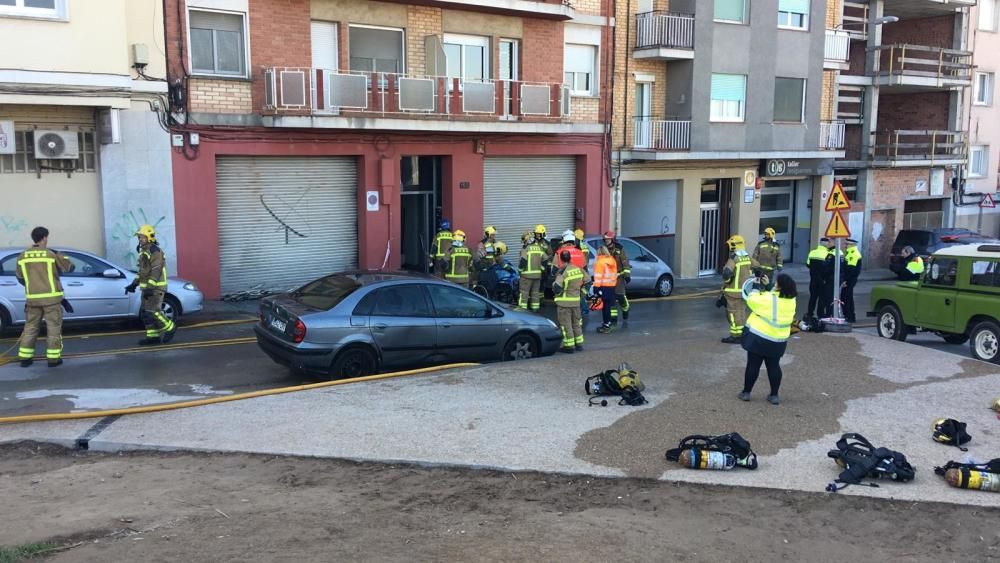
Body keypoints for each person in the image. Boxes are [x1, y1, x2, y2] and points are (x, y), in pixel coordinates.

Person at [14, 226, 73, 367]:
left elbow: (20, 278)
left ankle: (25, 358)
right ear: (45, 237)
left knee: (30, 328)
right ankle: (53, 359)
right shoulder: (50, 254)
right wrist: (61, 254)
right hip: (52, 300)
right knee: (53, 328)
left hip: (33, 300)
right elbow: (69, 268)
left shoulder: (22, 256)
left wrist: (34, 287)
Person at [739, 273, 797, 405]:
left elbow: (751, 300)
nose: (775, 284)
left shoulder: (768, 299)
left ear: (780, 286)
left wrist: (755, 285)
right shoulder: (791, 300)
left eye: (776, 283)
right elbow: (777, 298)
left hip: (760, 338)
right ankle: (774, 395)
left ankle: (746, 393)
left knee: (753, 365)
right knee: (774, 366)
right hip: (778, 340)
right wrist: (769, 285)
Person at [125, 225, 176, 345]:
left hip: (155, 287)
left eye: (142, 237)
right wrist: (133, 284)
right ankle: (153, 337)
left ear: (150, 237)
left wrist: (150, 286)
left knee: (153, 311)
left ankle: (170, 327)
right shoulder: (144, 252)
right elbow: (143, 272)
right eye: (139, 237)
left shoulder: (155, 251)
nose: (140, 239)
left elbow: (156, 270)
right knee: (146, 313)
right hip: (147, 288)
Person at [552, 249, 590, 353]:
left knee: (566, 325)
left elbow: (557, 288)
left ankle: (569, 346)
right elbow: (588, 281)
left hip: (564, 304)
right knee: (576, 324)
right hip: (576, 302)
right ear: (570, 258)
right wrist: (582, 293)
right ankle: (579, 345)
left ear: (561, 259)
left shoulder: (562, 272)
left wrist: (556, 290)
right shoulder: (578, 269)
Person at [721, 235, 752, 344]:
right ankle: (742, 334)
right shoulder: (747, 257)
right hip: (744, 293)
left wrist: (727, 281)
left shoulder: (734, 258)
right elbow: (757, 267)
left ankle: (735, 336)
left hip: (732, 294)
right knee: (741, 313)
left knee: (732, 314)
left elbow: (726, 274)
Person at [603, 231, 631, 325]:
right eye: (605, 239)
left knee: (620, 296)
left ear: (612, 239)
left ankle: (625, 308)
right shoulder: (604, 249)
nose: (606, 241)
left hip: (619, 277)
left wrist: (627, 275)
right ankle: (613, 318)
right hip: (609, 278)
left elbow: (625, 262)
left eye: (608, 239)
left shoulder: (619, 249)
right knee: (611, 299)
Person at [806, 237, 834, 319]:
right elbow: (828, 267)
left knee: (812, 298)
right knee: (822, 298)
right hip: (823, 280)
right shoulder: (828, 254)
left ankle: (810, 314)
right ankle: (820, 315)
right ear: (827, 244)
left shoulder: (812, 252)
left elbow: (808, 264)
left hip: (813, 279)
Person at [518, 231, 546, 311]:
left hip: (526, 276)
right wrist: (542, 269)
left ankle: (522, 309)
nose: (524, 243)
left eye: (524, 241)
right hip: (537, 276)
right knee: (535, 293)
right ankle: (535, 308)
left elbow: (523, 260)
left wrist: (520, 271)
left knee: (524, 293)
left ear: (527, 240)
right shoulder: (539, 248)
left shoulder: (525, 249)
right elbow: (546, 259)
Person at [593, 246, 618, 334]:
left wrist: (596, 288)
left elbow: (598, 277)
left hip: (603, 286)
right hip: (611, 286)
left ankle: (606, 324)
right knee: (608, 306)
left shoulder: (600, 262)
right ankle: (608, 323)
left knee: (605, 307)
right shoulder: (612, 260)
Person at [841, 239, 862, 323]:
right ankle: (849, 316)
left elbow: (850, 269)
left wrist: (845, 281)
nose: (845, 245)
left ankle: (849, 317)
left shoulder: (853, 254)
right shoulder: (851, 252)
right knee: (847, 298)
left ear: (851, 245)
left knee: (846, 298)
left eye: (847, 244)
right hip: (850, 279)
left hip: (849, 280)